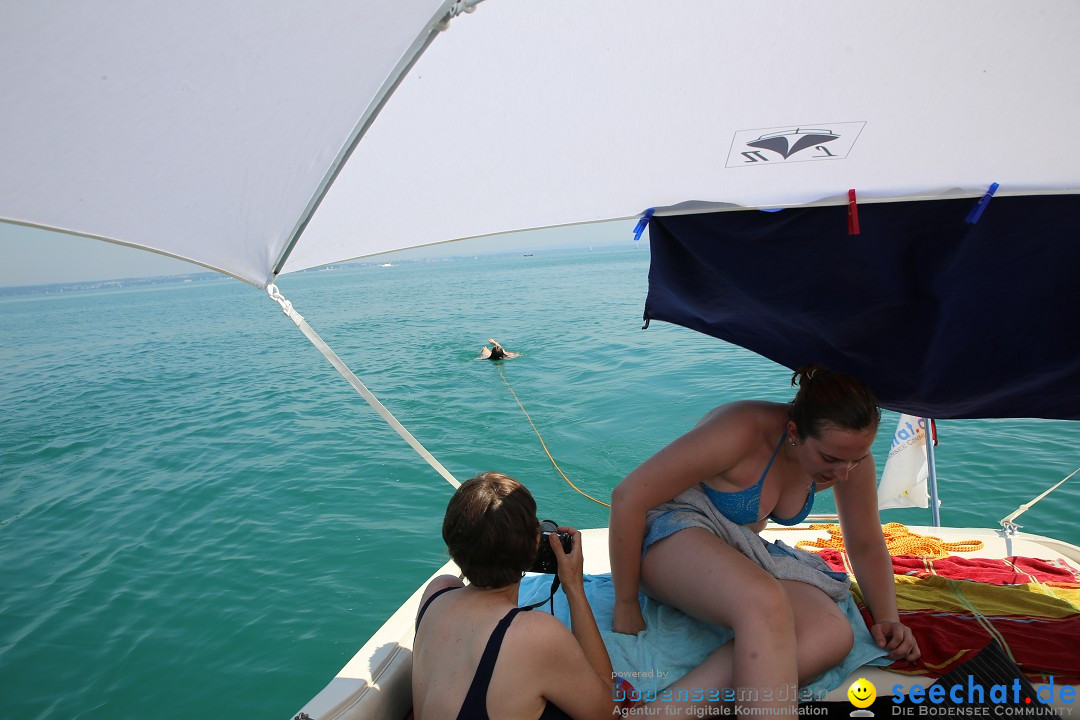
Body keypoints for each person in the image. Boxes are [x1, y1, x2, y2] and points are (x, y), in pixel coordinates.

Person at [608, 365, 920, 716]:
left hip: (737, 548)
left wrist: (888, 618)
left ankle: (660, 714)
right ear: (793, 431)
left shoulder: (846, 457)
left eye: (856, 459)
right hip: (672, 533)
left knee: (831, 633)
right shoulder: (741, 430)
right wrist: (625, 603)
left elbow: (863, 540)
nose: (843, 473)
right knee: (763, 600)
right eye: (830, 459)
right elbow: (628, 497)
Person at [412, 472, 616, 719]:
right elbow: (607, 711)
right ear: (535, 544)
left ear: (452, 545)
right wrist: (574, 588)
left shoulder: (437, 592)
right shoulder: (534, 635)